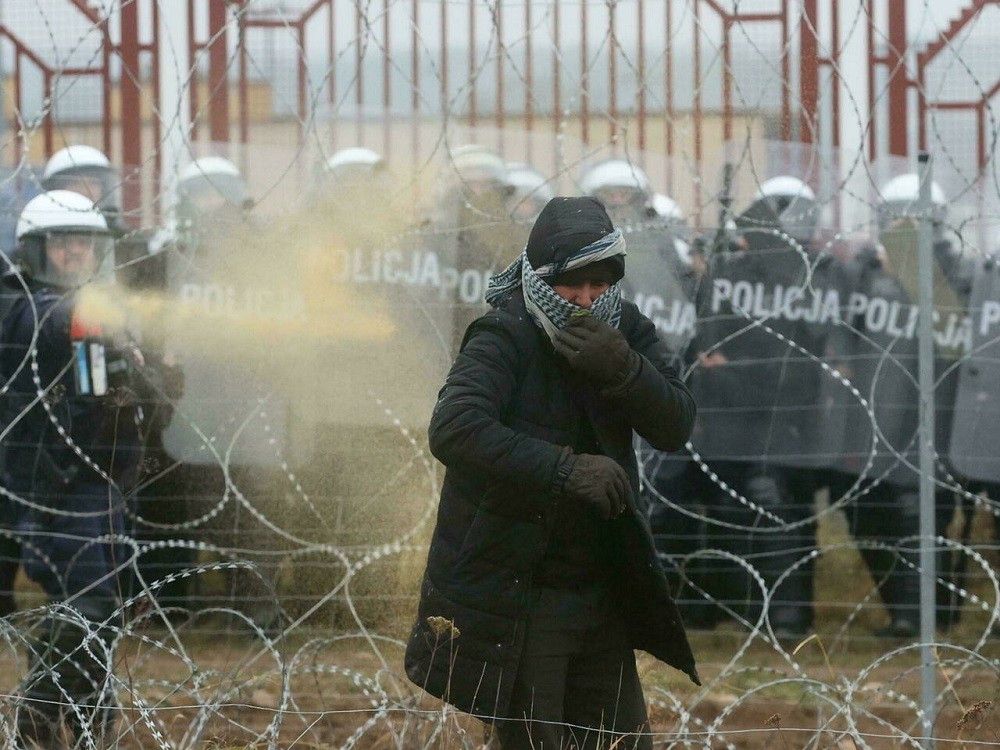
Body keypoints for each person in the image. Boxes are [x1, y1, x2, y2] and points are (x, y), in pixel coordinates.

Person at [404, 196, 699, 750]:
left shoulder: (624, 328)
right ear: (541, 277)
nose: (585, 301)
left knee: (621, 740)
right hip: (521, 590)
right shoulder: (506, 332)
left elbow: (676, 424)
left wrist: (625, 370)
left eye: (600, 285)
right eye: (571, 286)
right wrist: (564, 468)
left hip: (601, 583)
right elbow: (454, 427)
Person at [1, 190, 158, 745]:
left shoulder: (91, 309)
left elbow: (122, 391)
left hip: (99, 482)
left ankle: (90, 722)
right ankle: (40, 716)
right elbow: (49, 325)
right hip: (54, 486)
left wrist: (140, 366)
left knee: (99, 614)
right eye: (63, 243)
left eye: (86, 244)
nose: (76, 254)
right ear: (35, 250)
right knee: (90, 607)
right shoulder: (21, 304)